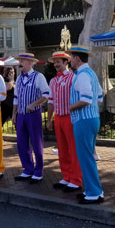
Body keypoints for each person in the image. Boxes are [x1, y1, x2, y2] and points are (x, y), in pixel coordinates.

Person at [68, 46, 104, 204]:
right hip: (92, 118)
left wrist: (70, 107)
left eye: (71, 57)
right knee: (87, 155)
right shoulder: (91, 73)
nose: (70, 60)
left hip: (83, 120)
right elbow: (100, 96)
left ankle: (94, 193)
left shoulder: (82, 75)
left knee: (85, 156)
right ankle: (93, 190)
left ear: (77, 58)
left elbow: (87, 99)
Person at [46, 51, 82, 192]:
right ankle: (66, 176)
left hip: (70, 117)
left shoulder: (73, 78)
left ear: (66, 62)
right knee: (62, 149)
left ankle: (76, 179)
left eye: (58, 61)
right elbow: (51, 101)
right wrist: (49, 119)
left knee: (72, 148)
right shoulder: (53, 81)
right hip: (58, 118)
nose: (56, 64)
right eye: (54, 62)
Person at [11, 53, 50, 182]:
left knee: (36, 143)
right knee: (21, 143)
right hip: (21, 115)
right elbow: (16, 98)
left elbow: (47, 94)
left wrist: (34, 104)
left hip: (34, 115)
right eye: (20, 60)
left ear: (30, 62)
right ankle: (28, 169)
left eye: (22, 60)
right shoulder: (18, 79)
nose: (20, 63)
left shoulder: (39, 77)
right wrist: (14, 114)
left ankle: (38, 171)